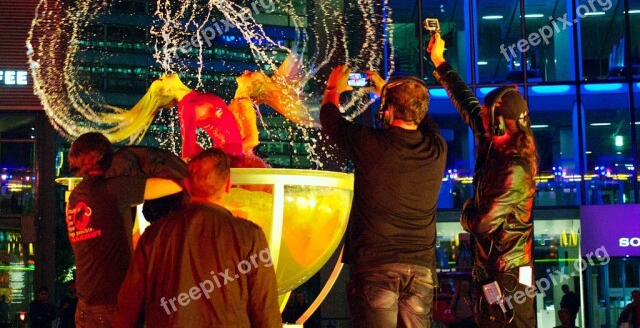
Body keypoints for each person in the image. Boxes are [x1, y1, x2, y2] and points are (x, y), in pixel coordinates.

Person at [320, 65, 448, 327]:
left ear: (386, 111)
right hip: (421, 270)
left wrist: (333, 87)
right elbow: (424, 119)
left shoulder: (369, 144)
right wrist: (387, 93)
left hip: (376, 267)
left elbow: (329, 119)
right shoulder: (437, 149)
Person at [429, 34, 538, 327]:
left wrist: (466, 211)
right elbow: (467, 104)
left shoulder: (513, 168)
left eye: (489, 120)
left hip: (508, 276)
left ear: (499, 124)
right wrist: (439, 63)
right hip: (499, 272)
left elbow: (481, 223)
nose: (483, 124)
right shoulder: (499, 144)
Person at [117, 148, 281, 327]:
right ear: (227, 185)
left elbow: (130, 305)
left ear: (186, 184)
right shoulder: (250, 236)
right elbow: (264, 308)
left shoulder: (154, 235)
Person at [66, 132, 184, 327]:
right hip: (114, 306)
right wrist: (142, 158)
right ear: (105, 157)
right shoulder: (115, 189)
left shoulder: (75, 197)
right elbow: (178, 184)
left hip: (85, 308)